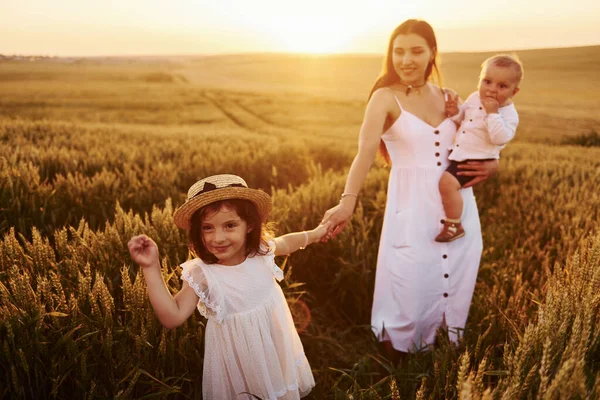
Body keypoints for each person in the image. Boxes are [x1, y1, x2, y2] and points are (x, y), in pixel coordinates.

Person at [320, 19, 499, 360]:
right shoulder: (384, 98)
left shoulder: (448, 98)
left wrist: (493, 165)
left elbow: (476, 142)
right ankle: (397, 365)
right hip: (411, 208)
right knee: (410, 284)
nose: (406, 60)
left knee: (455, 280)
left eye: (417, 51)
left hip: (458, 210)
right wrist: (347, 202)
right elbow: (365, 153)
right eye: (398, 51)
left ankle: (443, 359)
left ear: (432, 53)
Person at [128, 174, 328, 399]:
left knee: (278, 387)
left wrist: (317, 233)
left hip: (274, 344)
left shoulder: (260, 252)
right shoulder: (204, 274)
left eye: (230, 225)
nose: (218, 237)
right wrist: (151, 267)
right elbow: (172, 317)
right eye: (207, 228)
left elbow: (288, 242)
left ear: (250, 225)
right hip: (240, 364)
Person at [436, 54, 523, 242]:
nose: (491, 90)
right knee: (447, 184)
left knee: (446, 184)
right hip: (460, 152)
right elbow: (465, 120)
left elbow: (500, 139)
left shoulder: (508, 114)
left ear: (513, 92)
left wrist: (493, 114)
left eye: (502, 86)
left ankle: (453, 225)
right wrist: (455, 113)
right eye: (487, 81)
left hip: (475, 160)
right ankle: (453, 220)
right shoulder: (475, 98)